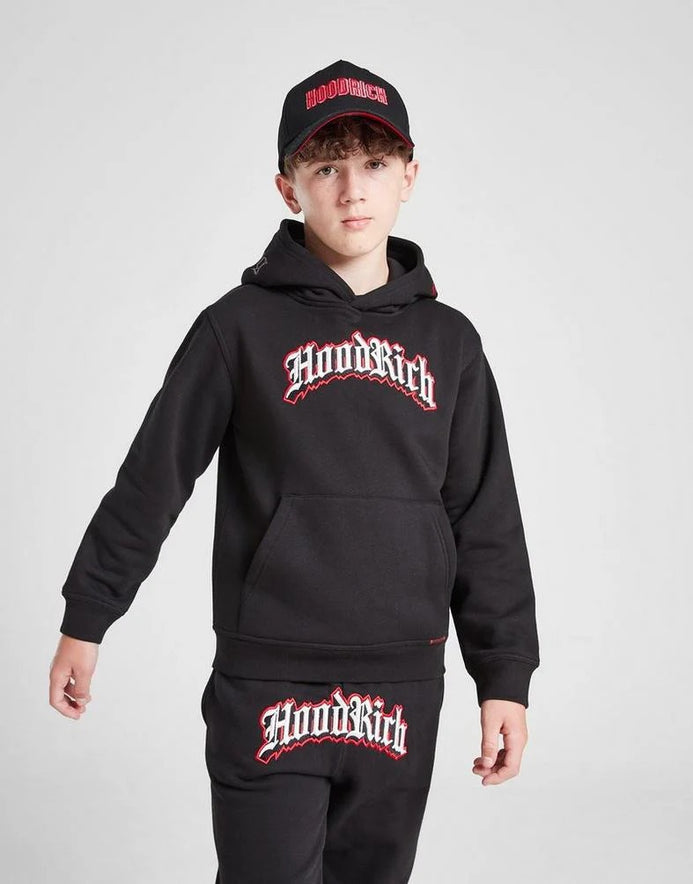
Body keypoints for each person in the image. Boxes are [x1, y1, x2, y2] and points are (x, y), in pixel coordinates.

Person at [49, 58, 540, 883]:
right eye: (325, 168)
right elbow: (153, 480)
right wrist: (88, 616)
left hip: (402, 680)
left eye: (373, 164)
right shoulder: (236, 328)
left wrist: (505, 676)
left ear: (409, 176)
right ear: (288, 189)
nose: (351, 190)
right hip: (268, 674)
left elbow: (484, 517)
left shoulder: (450, 343)